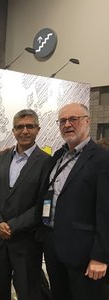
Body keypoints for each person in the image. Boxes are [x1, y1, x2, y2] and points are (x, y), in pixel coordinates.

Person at [38, 103, 109, 300]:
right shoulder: (59, 156)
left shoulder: (102, 159)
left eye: (73, 119)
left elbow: (106, 212)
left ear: (87, 121)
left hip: (84, 254)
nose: (67, 124)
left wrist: (100, 257)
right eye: (62, 121)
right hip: (54, 246)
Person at [0, 109, 49, 300]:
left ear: (38, 129)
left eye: (30, 126)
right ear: (13, 131)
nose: (25, 131)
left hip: (26, 242)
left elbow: (42, 204)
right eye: (19, 127)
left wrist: (12, 226)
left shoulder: (46, 162)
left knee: (28, 292)